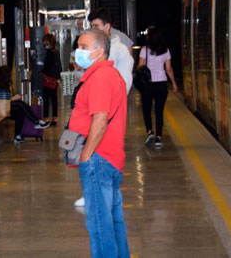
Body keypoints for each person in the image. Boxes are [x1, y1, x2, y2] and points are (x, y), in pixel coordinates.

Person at [70, 28, 129, 257]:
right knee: (113, 222)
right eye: (79, 47)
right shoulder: (109, 75)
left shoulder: (101, 77)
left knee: (99, 226)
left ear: (99, 51)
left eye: (84, 47)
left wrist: (86, 155)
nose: (79, 51)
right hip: (109, 159)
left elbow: (100, 119)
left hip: (99, 159)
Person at [138, 27, 177, 148]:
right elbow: (169, 69)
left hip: (148, 84)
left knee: (146, 110)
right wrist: (174, 83)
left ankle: (150, 131)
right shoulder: (166, 51)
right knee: (159, 111)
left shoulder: (144, 50)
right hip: (161, 84)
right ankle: (159, 138)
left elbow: (140, 66)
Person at [0, 65, 50, 143]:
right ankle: (36, 122)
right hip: (0, 109)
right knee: (20, 104)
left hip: (6, 107)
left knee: (20, 112)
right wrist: (13, 98)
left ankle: (17, 136)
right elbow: (1, 100)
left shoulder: (5, 84)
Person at [88, 8, 133, 93]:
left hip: (112, 100)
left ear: (107, 26)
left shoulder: (121, 50)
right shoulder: (92, 47)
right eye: (92, 26)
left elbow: (125, 84)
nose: (93, 30)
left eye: (96, 26)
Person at [41, 34, 62, 123]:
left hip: (48, 78)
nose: (44, 43)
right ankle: (55, 116)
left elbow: (48, 65)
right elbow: (59, 65)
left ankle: (46, 117)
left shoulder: (49, 52)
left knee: (46, 98)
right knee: (54, 98)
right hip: (55, 78)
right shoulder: (56, 52)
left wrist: (42, 71)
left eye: (46, 42)